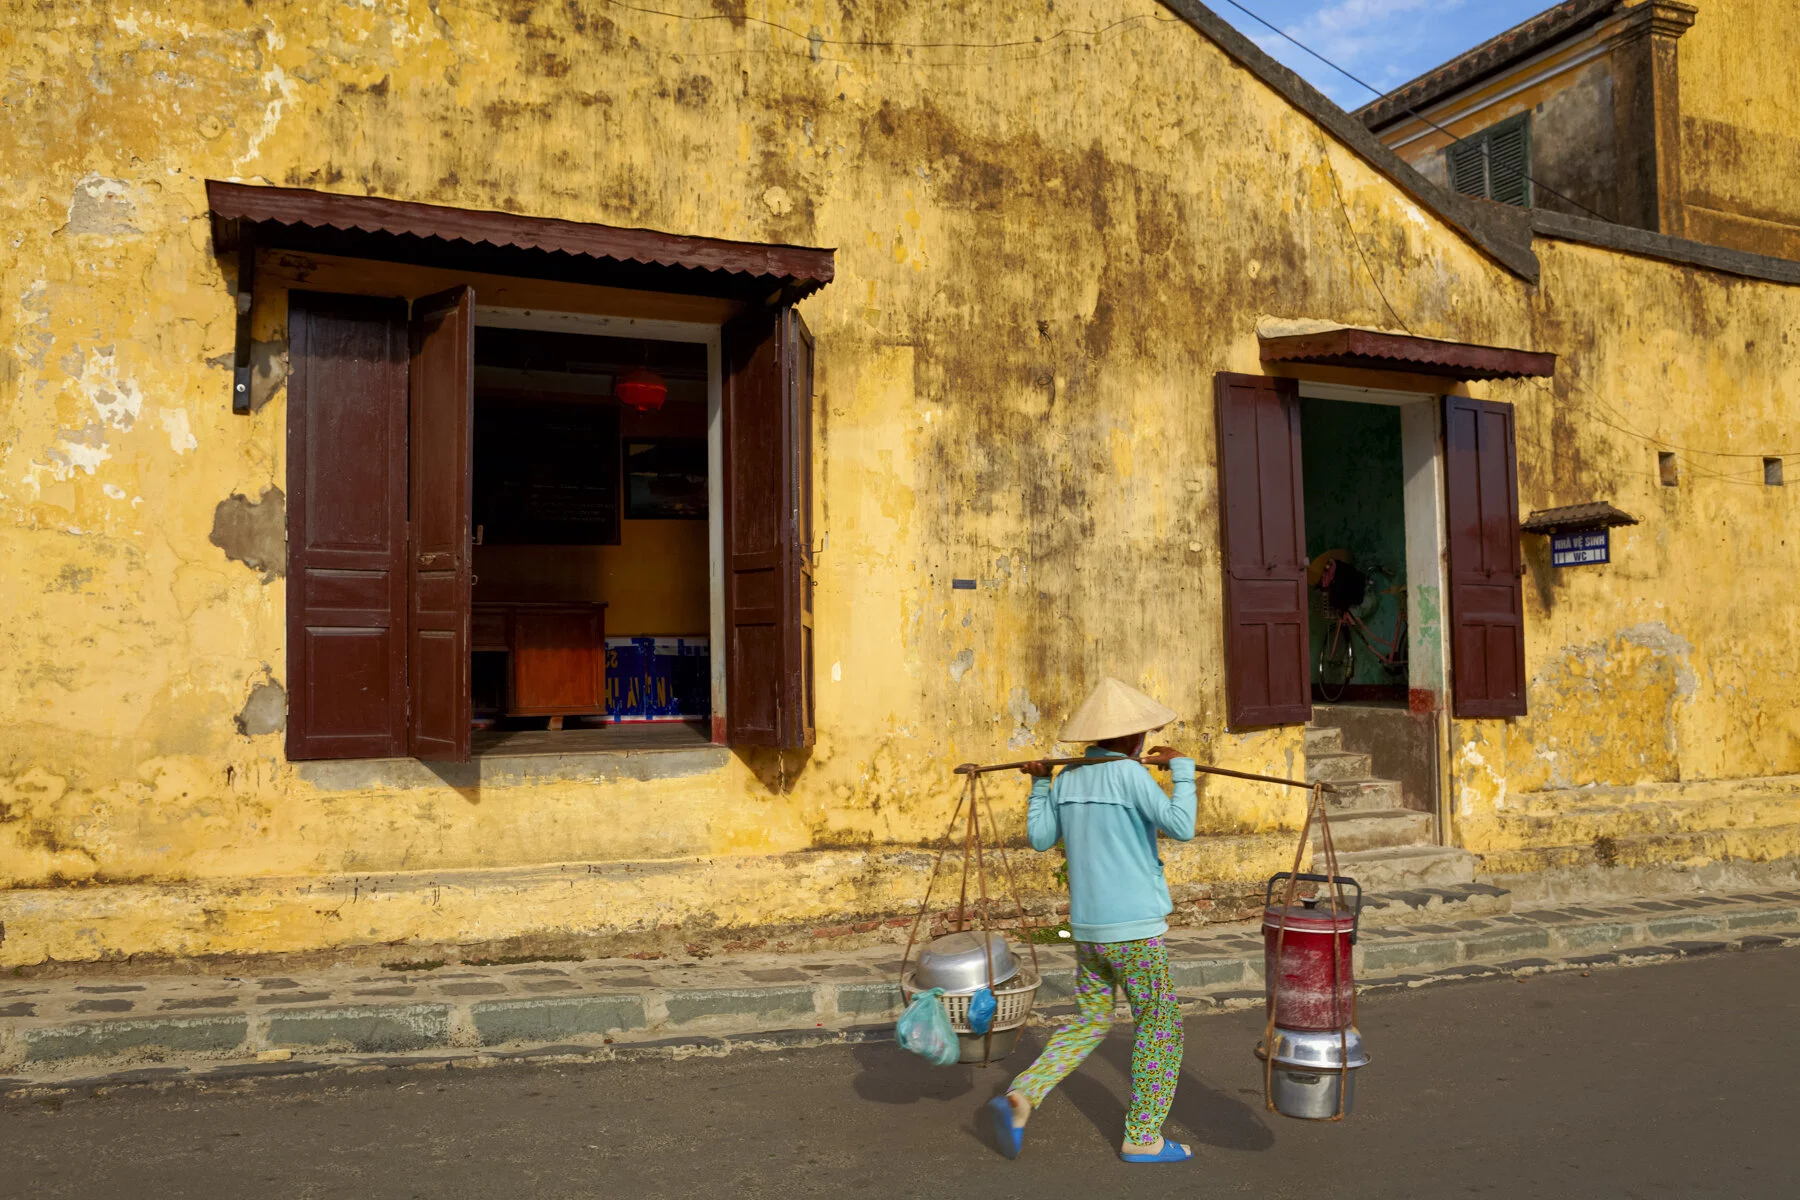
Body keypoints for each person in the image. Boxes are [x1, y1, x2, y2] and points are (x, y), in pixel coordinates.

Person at [986, 677, 1198, 1164]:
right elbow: (1181, 826)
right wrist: (1182, 771)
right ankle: (1142, 1136)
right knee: (1160, 1023)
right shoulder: (1129, 775)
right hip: (1135, 930)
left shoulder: (1068, 778)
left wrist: (1040, 783)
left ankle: (1025, 1093)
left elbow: (1040, 838)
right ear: (1131, 739)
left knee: (1091, 1020)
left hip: (1088, 930)